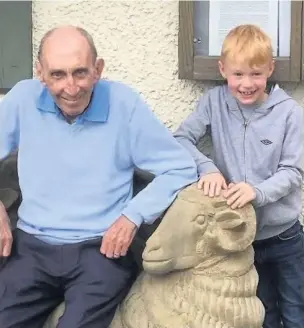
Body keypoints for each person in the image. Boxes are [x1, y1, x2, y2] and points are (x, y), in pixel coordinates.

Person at [0, 25, 198, 328]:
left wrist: (132, 215)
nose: (71, 87)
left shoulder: (124, 104)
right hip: (31, 247)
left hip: (100, 250)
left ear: (98, 69)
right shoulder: (22, 98)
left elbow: (180, 167)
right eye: (57, 75)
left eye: (80, 73)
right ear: (40, 72)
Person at [174, 24, 304, 328]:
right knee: (261, 311)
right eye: (238, 74)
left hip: (284, 235)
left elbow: (294, 171)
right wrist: (207, 168)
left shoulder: (289, 113)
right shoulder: (214, 103)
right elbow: (180, 139)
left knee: (297, 309)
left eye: (256, 74)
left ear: (271, 69)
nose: (247, 83)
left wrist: (257, 192)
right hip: (241, 240)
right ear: (223, 70)